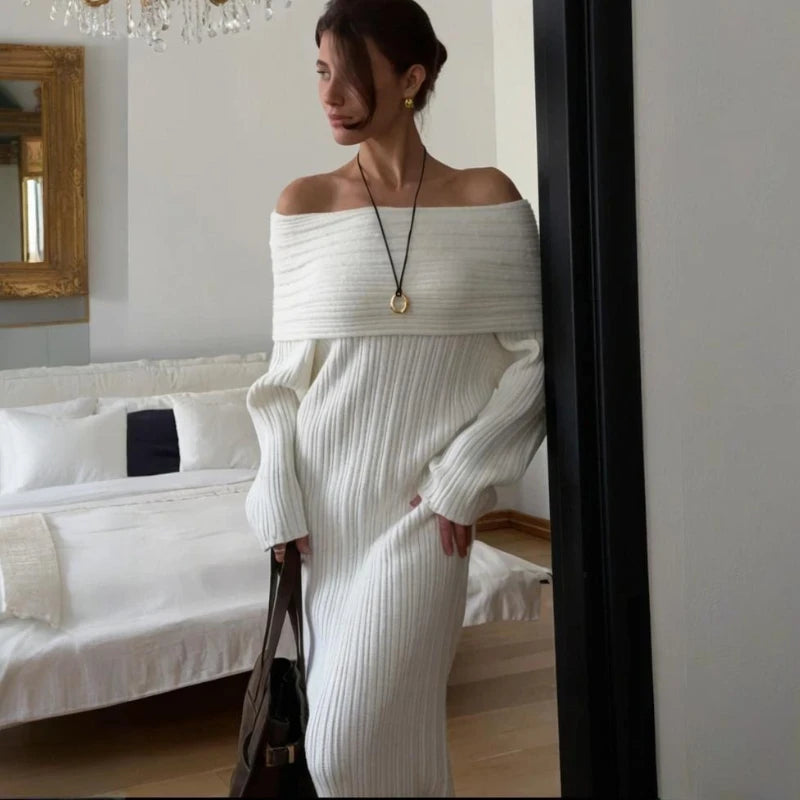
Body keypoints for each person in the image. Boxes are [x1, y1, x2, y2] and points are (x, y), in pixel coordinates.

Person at [244, 0, 546, 795]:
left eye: (350, 73)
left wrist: (464, 475)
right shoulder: (302, 206)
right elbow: (282, 383)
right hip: (326, 514)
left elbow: (537, 360)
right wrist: (278, 490)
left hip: (426, 511)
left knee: (341, 749)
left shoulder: (488, 199)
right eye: (321, 71)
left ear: (411, 79)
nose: (330, 94)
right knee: (396, 743)